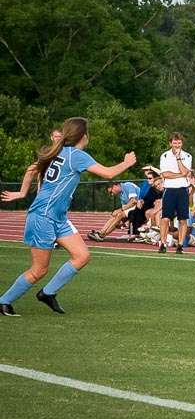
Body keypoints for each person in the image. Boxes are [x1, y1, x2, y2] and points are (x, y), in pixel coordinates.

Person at [0, 118, 135, 317]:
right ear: (83, 136)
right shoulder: (76, 155)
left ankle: (48, 293)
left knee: (82, 256)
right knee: (39, 270)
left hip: (57, 217)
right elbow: (108, 174)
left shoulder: (58, 152)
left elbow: (31, 169)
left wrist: (22, 193)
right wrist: (127, 162)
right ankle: (4, 301)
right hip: (43, 216)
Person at [158, 132, 193, 254]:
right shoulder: (165, 156)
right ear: (170, 143)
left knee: (183, 219)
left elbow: (186, 171)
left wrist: (178, 158)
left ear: (181, 143)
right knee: (166, 218)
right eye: (174, 142)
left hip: (182, 189)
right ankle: (162, 243)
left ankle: (180, 244)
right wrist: (180, 174)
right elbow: (165, 174)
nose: (177, 144)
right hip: (170, 190)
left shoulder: (187, 156)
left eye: (179, 142)